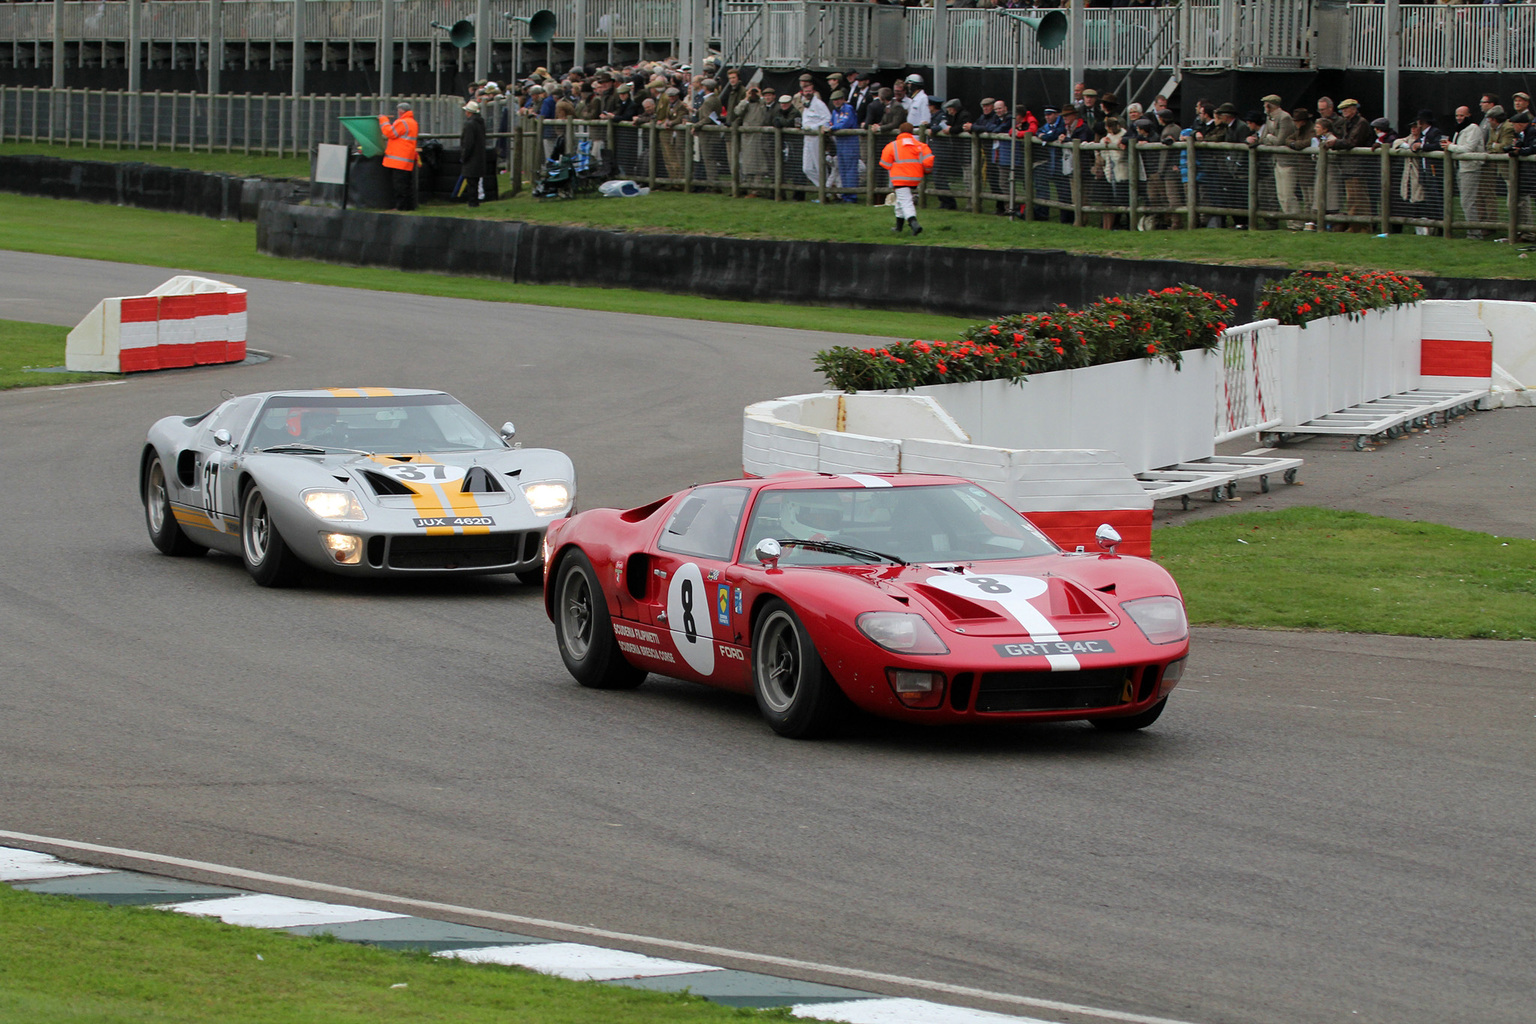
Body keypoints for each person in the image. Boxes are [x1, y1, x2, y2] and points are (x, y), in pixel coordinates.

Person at [880, 121, 934, 236]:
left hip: (899, 179)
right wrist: (926, 171)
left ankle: (914, 223)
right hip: (915, 178)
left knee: (905, 201)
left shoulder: (892, 145)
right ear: (911, 132)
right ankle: (898, 227)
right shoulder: (921, 145)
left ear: (900, 131)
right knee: (900, 201)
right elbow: (929, 161)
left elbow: (885, 163)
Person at [1446, 104, 1486, 237]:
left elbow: (1468, 148)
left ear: (1469, 115)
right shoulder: (1459, 130)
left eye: (1462, 115)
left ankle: (1474, 233)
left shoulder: (1473, 128)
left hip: (1470, 168)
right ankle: (1473, 231)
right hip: (1460, 168)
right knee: (1465, 201)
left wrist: (1451, 146)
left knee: (1468, 201)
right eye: (1457, 115)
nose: (1459, 118)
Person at [379, 102, 419, 211]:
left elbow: (389, 133)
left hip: (398, 160)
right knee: (406, 184)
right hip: (407, 159)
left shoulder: (402, 122)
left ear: (401, 111)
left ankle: (401, 207)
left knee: (400, 185)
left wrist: (383, 121)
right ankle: (409, 206)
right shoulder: (413, 122)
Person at [829, 90, 861, 202]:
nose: (836, 102)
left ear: (843, 99)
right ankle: (845, 194)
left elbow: (844, 124)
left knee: (850, 169)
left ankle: (852, 196)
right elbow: (831, 123)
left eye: (838, 100)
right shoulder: (835, 112)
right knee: (842, 169)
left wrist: (831, 128)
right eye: (834, 100)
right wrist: (828, 126)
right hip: (840, 143)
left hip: (850, 142)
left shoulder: (848, 109)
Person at [456, 100, 487, 208]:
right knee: (476, 180)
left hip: (471, 157)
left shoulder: (469, 125)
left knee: (471, 182)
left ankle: (472, 202)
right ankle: (475, 201)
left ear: (469, 112)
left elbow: (468, 143)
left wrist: (464, 156)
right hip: (479, 156)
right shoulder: (481, 123)